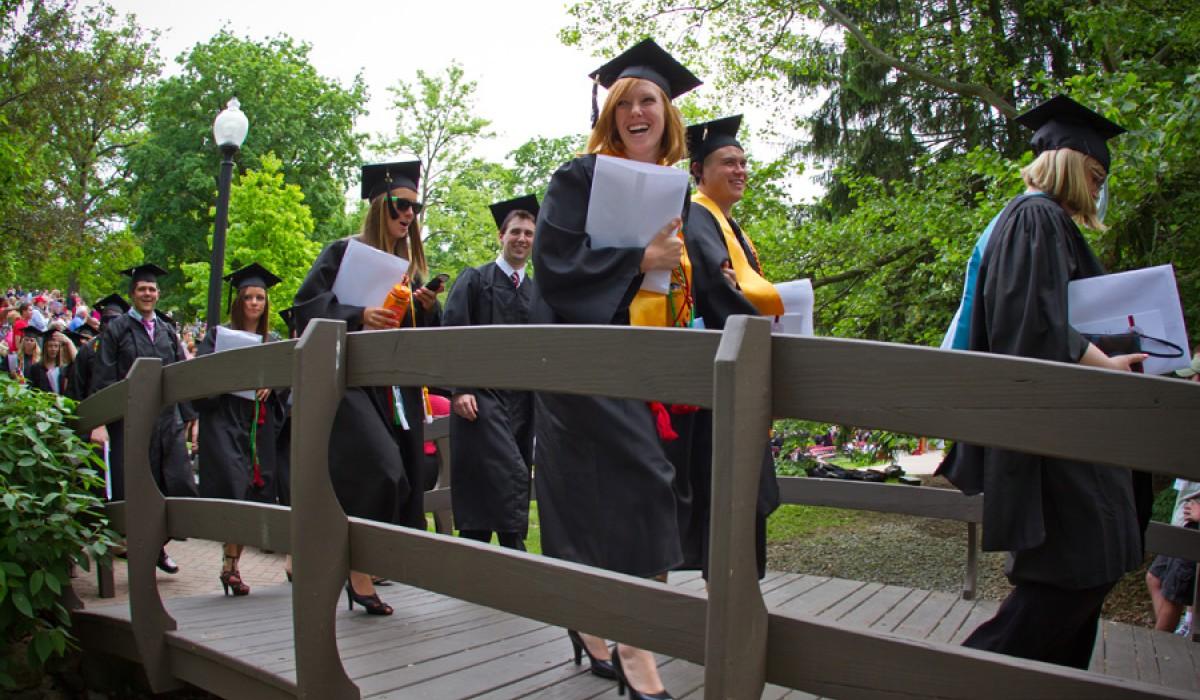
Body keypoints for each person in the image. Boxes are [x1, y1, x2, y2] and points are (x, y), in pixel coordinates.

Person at [937, 95, 1144, 669]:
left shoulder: (1037, 221)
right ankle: (951, 683)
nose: (1099, 190)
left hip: (1071, 436)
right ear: (1070, 162)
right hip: (1056, 443)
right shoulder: (1036, 218)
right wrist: (1107, 363)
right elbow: (1032, 325)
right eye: (1096, 174)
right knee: (1074, 575)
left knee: (1088, 573)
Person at [531, 38, 701, 699]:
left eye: (649, 100)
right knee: (626, 483)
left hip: (636, 357)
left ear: (667, 113)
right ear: (609, 113)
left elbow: (659, 287)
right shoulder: (577, 177)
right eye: (624, 101)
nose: (637, 111)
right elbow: (555, 268)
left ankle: (597, 624)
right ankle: (633, 645)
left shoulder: (673, 190)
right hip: (579, 359)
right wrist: (637, 258)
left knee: (628, 491)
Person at [293, 160, 442, 616]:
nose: (409, 215)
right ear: (381, 205)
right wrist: (359, 315)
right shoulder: (343, 252)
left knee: (403, 474)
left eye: (416, 208)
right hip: (348, 385)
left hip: (391, 389)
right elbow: (304, 308)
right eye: (401, 205)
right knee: (381, 467)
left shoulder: (408, 271)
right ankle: (355, 573)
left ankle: (367, 565)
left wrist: (424, 307)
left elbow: (418, 334)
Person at [675, 115, 782, 580]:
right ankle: (728, 605)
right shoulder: (698, 217)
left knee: (737, 495)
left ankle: (734, 600)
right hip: (720, 381)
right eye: (728, 162)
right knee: (728, 494)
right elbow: (718, 294)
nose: (740, 170)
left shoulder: (731, 227)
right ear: (699, 169)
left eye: (743, 162)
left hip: (736, 377)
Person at [443, 194, 539, 551]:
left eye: (529, 233)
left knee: (502, 474)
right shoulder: (475, 280)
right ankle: (513, 547)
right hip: (480, 398)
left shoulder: (535, 291)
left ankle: (482, 558)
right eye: (515, 231)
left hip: (522, 401)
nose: (522, 239)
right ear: (501, 235)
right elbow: (454, 331)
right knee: (500, 473)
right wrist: (460, 388)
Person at [94, 263, 200, 575]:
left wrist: (191, 417)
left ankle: (157, 545)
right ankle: (149, 551)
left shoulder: (167, 330)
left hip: (167, 421)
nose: (148, 293)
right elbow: (104, 376)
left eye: (152, 289)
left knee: (178, 484)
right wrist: (101, 420)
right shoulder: (117, 330)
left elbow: (182, 374)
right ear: (132, 293)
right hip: (132, 422)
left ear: (158, 293)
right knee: (139, 488)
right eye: (142, 289)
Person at [194, 263, 289, 596]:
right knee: (234, 486)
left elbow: (287, 379)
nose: (254, 303)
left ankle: (230, 566)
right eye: (248, 297)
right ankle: (230, 564)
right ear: (238, 302)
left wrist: (272, 385)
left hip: (257, 425)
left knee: (251, 492)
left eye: (260, 298)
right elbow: (200, 377)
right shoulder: (218, 335)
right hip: (224, 420)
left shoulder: (273, 340)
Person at [28, 327, 76, 395]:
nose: (53, 349)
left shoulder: (64, 368)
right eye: (50, 346)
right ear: (45, 348)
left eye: (56, 346)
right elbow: (32, 389)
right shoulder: (36, 368)